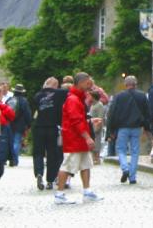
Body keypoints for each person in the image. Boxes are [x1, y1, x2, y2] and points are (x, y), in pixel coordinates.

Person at [53, 72, 103, 205]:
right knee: (67, 165)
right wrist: (87, 137)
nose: (89, 86)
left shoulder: (77, 98)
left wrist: (90, 121)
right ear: (80, 83)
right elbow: (75, 121)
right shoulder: (73, 99)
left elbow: (79, 119)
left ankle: (87, 191)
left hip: (78, 138)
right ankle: (59, 194)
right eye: (87, 83)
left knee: (86, 165)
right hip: (74, 139)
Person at [106, 75, 151, 185]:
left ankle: (125, 168)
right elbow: (147, 113)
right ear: (136, 84)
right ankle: (132, 177)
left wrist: (110, 130)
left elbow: (111, 113)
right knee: (135, 152)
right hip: (136, 128)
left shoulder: (119, 96)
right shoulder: (142, 96)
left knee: (121, 149)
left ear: (125, 85)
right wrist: (147, 128)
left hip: (122, 128)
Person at [32, 76, 66, 190]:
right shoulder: (60, 94)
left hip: (38, 127)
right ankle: (50, 180)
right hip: (52, 127)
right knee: (52, 154)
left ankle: (39, 173)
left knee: (38, 153)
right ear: (56, 85)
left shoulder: (37, 95)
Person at [8, 84, 32, 167]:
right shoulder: (24, 101)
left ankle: (10, 158)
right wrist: (29, 125)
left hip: (10, 124)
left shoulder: (10, 99)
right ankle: (14, 160)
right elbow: (27, 114)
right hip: (20, 125)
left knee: (10, 142)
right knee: (16, 142)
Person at [88, 88, 106, 163]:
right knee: (93, 142)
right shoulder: (92, 105)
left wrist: (97, 127)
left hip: (96, 126)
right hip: (91, 126)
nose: (89, 97)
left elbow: (100, 117)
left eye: (90, 96)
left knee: (97, 142)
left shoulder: (99, 105)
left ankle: (97, 158)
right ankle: (93, 158)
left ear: (93, 97)